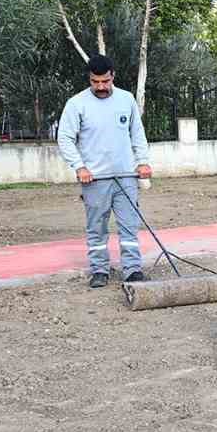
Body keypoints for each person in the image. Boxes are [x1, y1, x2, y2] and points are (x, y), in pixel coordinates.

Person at [56, 55, 152, 288]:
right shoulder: (77, 104)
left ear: (113, 76)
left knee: (129, 225)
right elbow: (65, 138)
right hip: (95, 179)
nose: (100, 87)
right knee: (97, 226)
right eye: (95, 82)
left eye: (105, 82)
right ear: (89, 79)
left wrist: (143, 161)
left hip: (126, 176)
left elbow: (137, 134)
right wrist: (80, 167)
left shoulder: (126, 99)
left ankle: (132, 269)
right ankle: (99, 270)